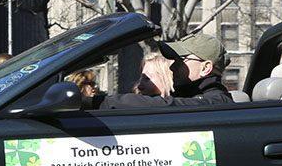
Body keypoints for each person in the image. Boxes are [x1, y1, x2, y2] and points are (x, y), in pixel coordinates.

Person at [86, 33, 232, 109]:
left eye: (180, 60)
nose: (172, 66)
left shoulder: (216, 102)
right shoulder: (190, 96)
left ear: (205, 68)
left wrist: (99, 102)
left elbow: (167, 106)